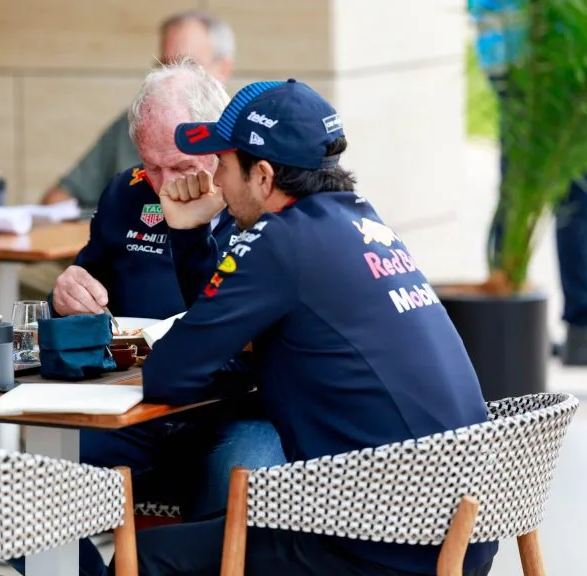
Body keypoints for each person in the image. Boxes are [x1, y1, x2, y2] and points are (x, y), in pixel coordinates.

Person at [107, 79, 497, 574]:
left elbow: (169, 374)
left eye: (223, 167)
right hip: (459, 533)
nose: (217, 185)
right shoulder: (363, 224)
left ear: (263, 177)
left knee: (137, 560)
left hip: (378, 545)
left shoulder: (281, 240)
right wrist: (191, 238)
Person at [29, 61, 285, 576]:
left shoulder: (263, 203)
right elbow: (90, 273)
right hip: (135, 400)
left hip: (240, 409)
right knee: (25, 487)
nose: (165, 183)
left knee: (243, 493)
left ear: (218, 142)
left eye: (178, 163)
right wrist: (68, 291)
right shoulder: (128, 193)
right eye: (152, 165)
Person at [469, 0, 587, 365]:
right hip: (532, 78)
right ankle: (521, 305)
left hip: (558, 72)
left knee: (560, 197)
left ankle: (577, 330)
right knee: (533, 196)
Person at [40, 10, 236, 209]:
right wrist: (113, 222)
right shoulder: (136, 122)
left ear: (223, 69)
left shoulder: (244, 133)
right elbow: (57, 200)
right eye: (165, 65)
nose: (174, 75)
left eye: (188, 65)